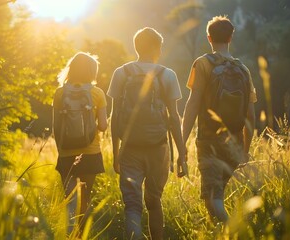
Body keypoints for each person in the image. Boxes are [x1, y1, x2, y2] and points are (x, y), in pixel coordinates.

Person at [107, 27, 187, 240]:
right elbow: (174, 118)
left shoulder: (121, 73)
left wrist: (116, 153)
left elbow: (114, 117)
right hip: (158, 148)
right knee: (154, 202)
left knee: (132, 205)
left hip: (129, 148)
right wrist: (182, 154)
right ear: (157, 48)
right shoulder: (167, 75)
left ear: (136, 47)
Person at [182, 15, 257, 223]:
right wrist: (244, 151)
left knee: (214, 198)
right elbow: (250, 115)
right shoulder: (244, 70)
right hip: (234, 143)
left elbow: (192, 104)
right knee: (213, 196)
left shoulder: (203, 64)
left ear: (209, 38)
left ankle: (235, 233)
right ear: (231, 38)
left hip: (209, 143)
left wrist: (181, 143)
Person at [52, 52, 108, 236]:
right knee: (84, 200)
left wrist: (62, 148)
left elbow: (56, 127)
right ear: (92, 72)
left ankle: (68, 235)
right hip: (90, 153)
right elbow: (103, 126)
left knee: (70, 200)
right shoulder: (97, 93)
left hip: (66, 154)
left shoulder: (60, 93)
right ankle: (81, 235)